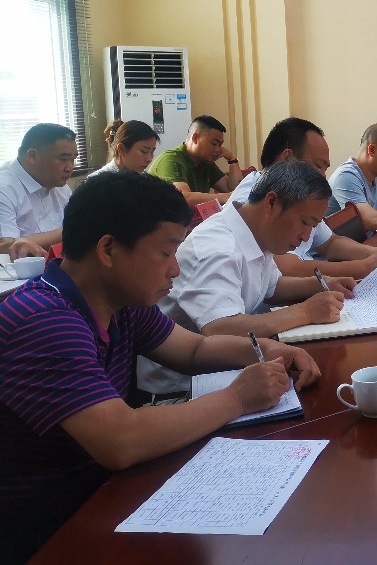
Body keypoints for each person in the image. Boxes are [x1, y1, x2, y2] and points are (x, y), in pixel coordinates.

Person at [0, 171, 320, 561]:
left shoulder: (120, 301)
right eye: (166, 253)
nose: (175, 270)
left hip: (106, 494)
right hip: (51, 530)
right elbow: (121, 441)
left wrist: (267, 349)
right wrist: (237, 398)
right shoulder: (44, 319)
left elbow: (194, 349)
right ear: (108, 250)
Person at [136, 160, 353, 398]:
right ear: (271, 202)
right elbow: (222, 329)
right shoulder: (217, 249)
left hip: (224, 371)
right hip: (181, 392)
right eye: (305, 222)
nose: (306, 237)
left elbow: (272, 287)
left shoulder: (257, 234)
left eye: (314, 226)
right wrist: (305, 312)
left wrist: (321, 284)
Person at [228, 117, 377, 279]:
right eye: (318, 166)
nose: (322, 177)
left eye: (325, 169)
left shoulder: (301, 197)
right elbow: (284, 268)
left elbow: (330, 243)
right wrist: (362, 267)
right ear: (287, 159)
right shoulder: (253, 201)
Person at [0, 123, 76, 260]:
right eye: (63, 159)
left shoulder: (58, 183)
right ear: (32, 156)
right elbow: (8, 248)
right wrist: (70, 231)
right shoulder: (4, 188)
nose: (69, 167)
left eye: (73, 159)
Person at [148, 115, 253, 207]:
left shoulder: (205, 163)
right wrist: (227, 197)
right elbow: (183, 199)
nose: (218, 149)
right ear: (195, 138)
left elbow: (231, 189)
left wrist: (232, 159)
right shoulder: (171, 160)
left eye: (220, 145)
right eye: (214, 143)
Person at [90, 119, 159, 175]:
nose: (149, 159)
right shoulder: (98, 182)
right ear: (121, 149)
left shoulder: (143, 179)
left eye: (152, 152)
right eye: (144, 151)